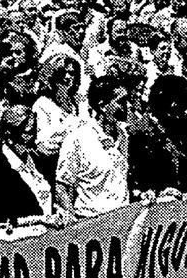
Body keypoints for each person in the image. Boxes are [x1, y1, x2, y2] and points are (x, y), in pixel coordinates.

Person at [56, 75, 131, 219]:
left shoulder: (124, 135)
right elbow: (62, 185)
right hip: (92, 223)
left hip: (123, 219)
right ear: (102, 105)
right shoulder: (78, 138)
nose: (126, 107)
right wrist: (73, 224)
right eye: (120, 102)